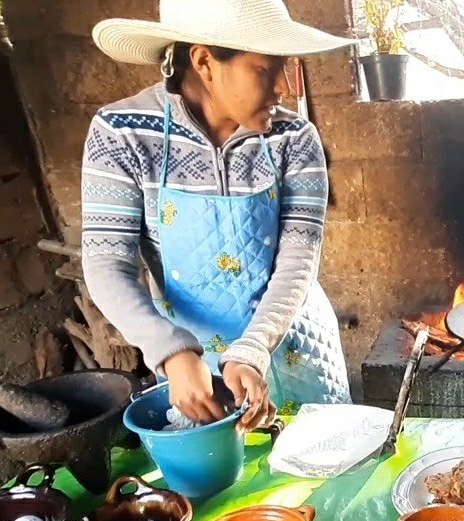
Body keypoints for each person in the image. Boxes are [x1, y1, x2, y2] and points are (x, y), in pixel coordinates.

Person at [82, 0, 354, 430]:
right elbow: (105, 263)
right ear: (205, 62)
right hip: (194, 368)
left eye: (284, 68)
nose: (283, 87)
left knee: (322, 459)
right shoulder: (122, 134)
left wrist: (253, 348)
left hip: (293, 345)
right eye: (265, 70)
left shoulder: (294, 138)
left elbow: (299, 260)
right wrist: (171, 351)